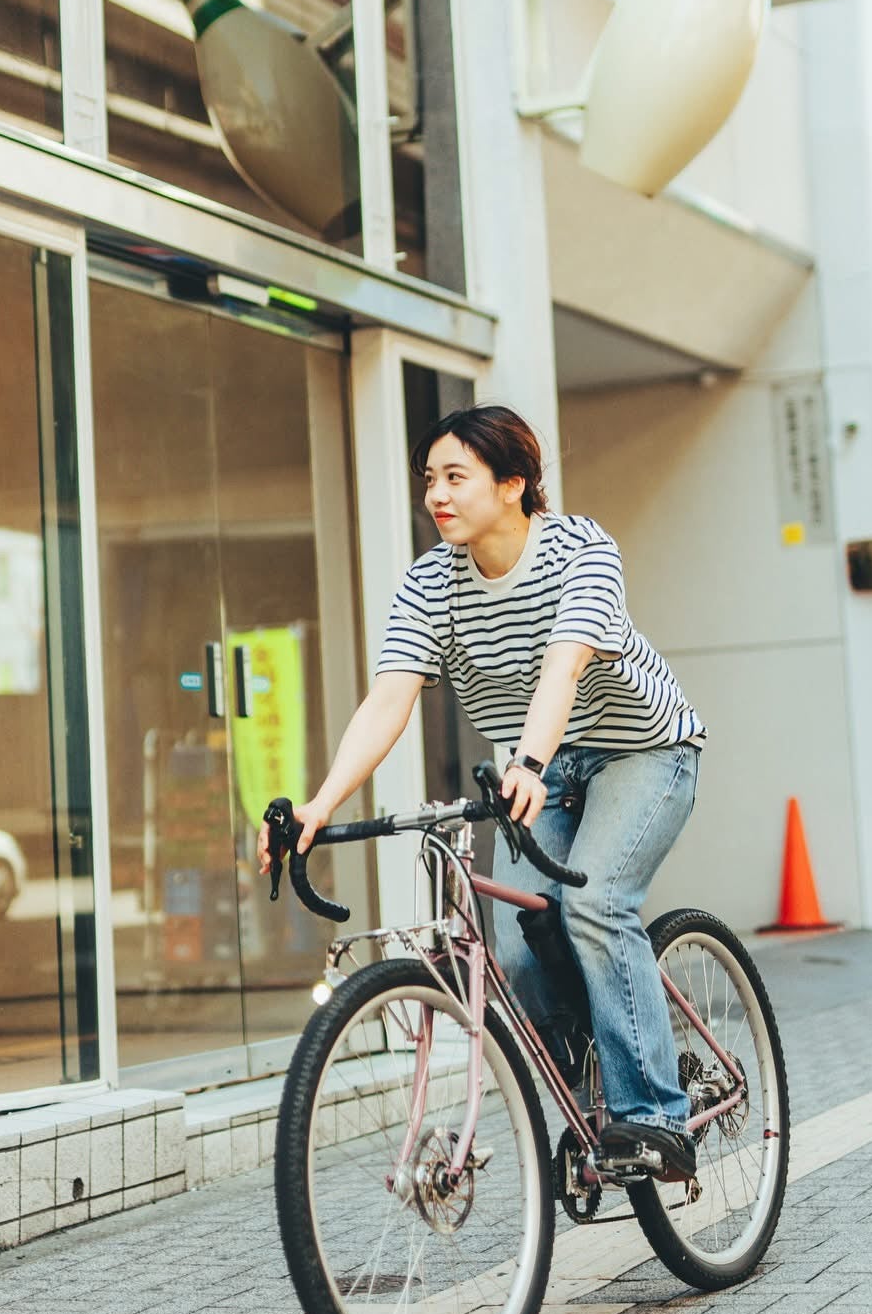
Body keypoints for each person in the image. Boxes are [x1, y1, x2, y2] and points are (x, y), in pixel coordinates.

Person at [258, 405, 705, 1179]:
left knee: (596, 905)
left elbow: (564, 665)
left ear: (514, 484)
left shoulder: (581, 549)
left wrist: (527, 763)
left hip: (643, 750)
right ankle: (584, 1089)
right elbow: (389, 698)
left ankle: (653, 1117)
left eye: (456, 477)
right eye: (429, 479)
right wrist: (319, 804)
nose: (437, 493)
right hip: (541, 767)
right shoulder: (433, 581)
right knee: (520, 946)